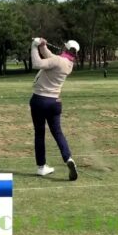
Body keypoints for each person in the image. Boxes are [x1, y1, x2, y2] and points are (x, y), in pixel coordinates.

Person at [29, 37, 79, 181]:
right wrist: (42, 45)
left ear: (65, 49)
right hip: (55, 102)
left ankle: (41, 167)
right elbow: (50, 57)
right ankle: (68, 158)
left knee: (39, 133)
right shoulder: (68, 63)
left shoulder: (58, 61)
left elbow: (37, 63)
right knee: (57, 133)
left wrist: (34, 46)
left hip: (39, 100)